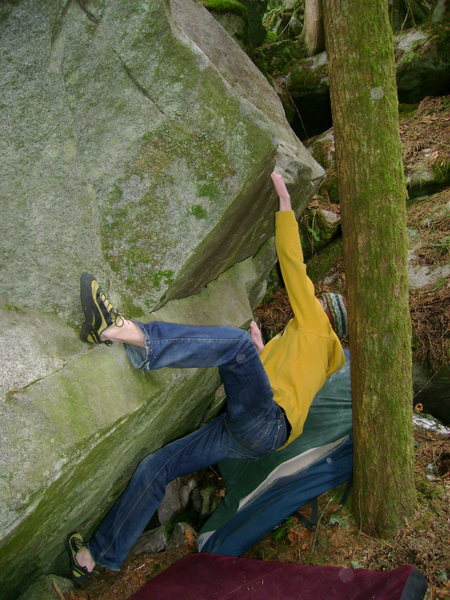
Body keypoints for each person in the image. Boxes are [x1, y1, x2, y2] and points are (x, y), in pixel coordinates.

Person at [66, 172, 348, 584]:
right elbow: (282, 382)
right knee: (158, 465)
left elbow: (294, 268)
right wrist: (261, 349)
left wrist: (286, 207)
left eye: (319, 302)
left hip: (264, 422)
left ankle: (122, 331)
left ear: (326, 313)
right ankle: (96, 557)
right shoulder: (318, 354)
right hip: (258, 435)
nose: (312, 301)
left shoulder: (316, 327)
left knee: (232, 346)